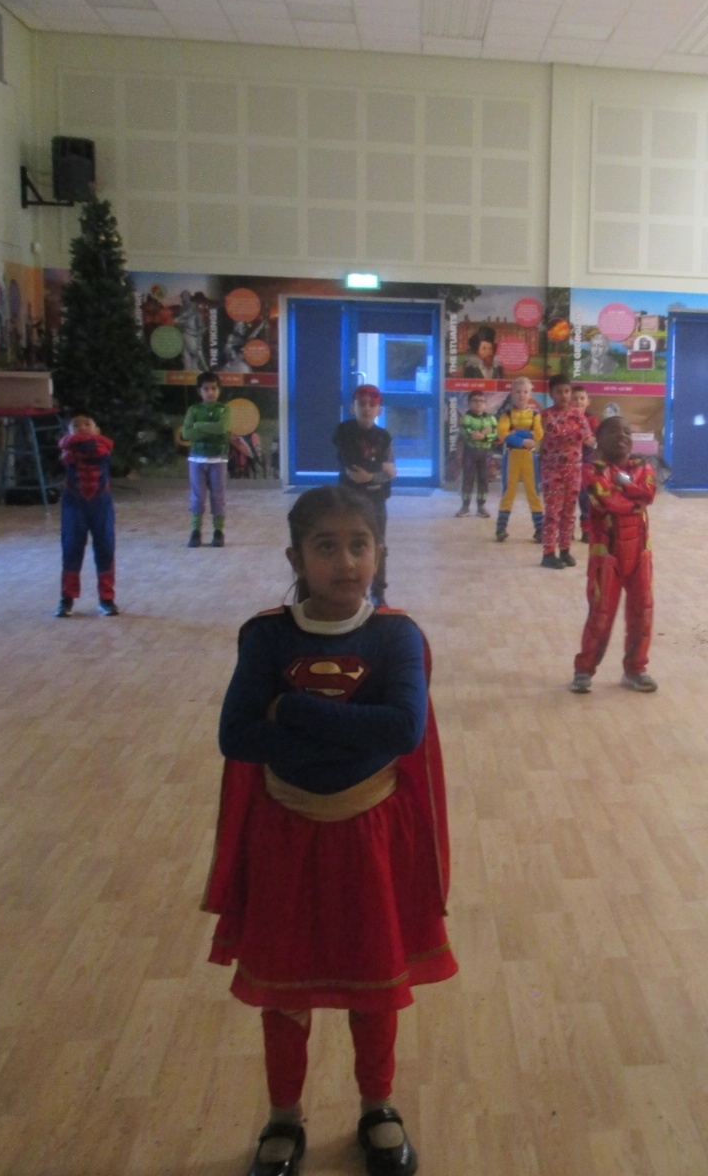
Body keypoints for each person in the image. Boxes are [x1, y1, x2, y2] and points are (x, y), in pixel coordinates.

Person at [207, 486, 455, 1176]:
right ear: (296, 558)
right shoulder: (267, 636)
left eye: (358, 545)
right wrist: (349, 733)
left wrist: (292, 712)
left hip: (370, 837)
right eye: (326, 546)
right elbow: (236, 736)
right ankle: (284, 1117)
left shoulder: (396, 636)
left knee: (375, 980)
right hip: (284, 838)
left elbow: (401, 730)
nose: (345, 562)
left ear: (379, 553)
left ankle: (378, 1105)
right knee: (282, 987)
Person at [571, 417, 658, 694]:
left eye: (627, 432)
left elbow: (649, 494)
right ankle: (584, 670)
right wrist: (633, 494)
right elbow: (607, 501)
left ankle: (636, 669)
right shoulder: (591, 469)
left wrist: (625, 486)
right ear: (599, 439)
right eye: (614, 432)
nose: (622, 437)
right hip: (606, 555)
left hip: (640, 554)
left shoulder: (642, 466)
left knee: (643, 611)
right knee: (600, 613)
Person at [333, 385, 397, 606]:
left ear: (380, 410)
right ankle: (356, 590)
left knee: (378, 545)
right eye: (362, 404)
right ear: (353, 408)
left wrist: (372, 475)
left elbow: (391, 472)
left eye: (372, 405)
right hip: (349, 500)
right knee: (352, 544)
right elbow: (352, 467)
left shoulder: (384, 437)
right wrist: (379, 469)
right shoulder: (344, 432)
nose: (367, 408)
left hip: (377, 500)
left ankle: (379, 591)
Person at [56, 414, 118, 618]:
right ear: (68, 431)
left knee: (105, 548)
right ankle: (66, 599)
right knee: (71, 549)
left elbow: (100, 450)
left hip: (101, 503)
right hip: (74, 503)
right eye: (76, 425)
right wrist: (75, 443)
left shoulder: (102, 445)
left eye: (87, 424)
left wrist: (79, 444)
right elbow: (67, 446)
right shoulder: (68, 446)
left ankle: (107, 599)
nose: (82, 428)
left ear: (97, 430)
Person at [538, 374, 595, 569]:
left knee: (569, 513)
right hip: (552, 472)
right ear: (551, 394)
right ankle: (548, 554)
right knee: (553, 512)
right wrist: (577, 433)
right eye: (559, 392)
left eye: (567, 391)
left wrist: (576, 433)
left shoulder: (578, 414)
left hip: (574, 471)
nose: (564, 395)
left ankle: (565, 550)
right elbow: (557, 433)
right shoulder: (546, 414)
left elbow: (588, 436)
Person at [184, 369, 232, 548]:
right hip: (197, 460)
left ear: (219, 390)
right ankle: (195, 532)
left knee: (218, 496)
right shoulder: (194, 410)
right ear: (199, 391)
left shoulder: (224, 409)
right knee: (197, 497)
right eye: (206, 389)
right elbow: (186, 433)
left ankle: (218, 532)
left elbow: (222, 428)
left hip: (218, 460)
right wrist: (208, 428)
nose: (210, 392)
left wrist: (199, 426)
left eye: (214, 388)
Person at [495, 376, 544, 544]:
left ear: (530, 393)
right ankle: (501, 528)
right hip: (512, 457)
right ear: (512, 393)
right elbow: (503, 434)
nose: (521, 395)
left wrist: (516, 433)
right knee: (508, 492)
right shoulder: (507, 414)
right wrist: (523, 440)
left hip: (530, 458)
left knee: (533, 492)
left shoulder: (535, 415)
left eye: (525, 391)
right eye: (518, 392)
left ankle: (540, 529)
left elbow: (538, 434)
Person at [455, 390, 496, 519]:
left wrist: (484, 436)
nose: (479, 403)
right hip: (470, 453)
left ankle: (481, 507)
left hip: (485, 453)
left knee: (483, 480)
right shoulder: (466, 418)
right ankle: (465, 507)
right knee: (468, 480)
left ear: (485, 404)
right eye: (475, 401)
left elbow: (495, 434)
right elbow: (466, 433)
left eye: (482, 401)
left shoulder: (491, 418)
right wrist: (482, 433)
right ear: (469, 403)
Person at [572, 384, 598, 542]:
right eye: (575, 399)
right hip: (568, 464)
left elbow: (595, 439)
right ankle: (567, 529)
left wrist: (592, 440)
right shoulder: (566, 418)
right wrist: (583, 438)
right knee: (567, 498)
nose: (578, 402)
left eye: (582, 398)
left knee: (585, 497)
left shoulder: (592, 420)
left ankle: (587, 529)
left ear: (588, 401)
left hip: (586, 464)